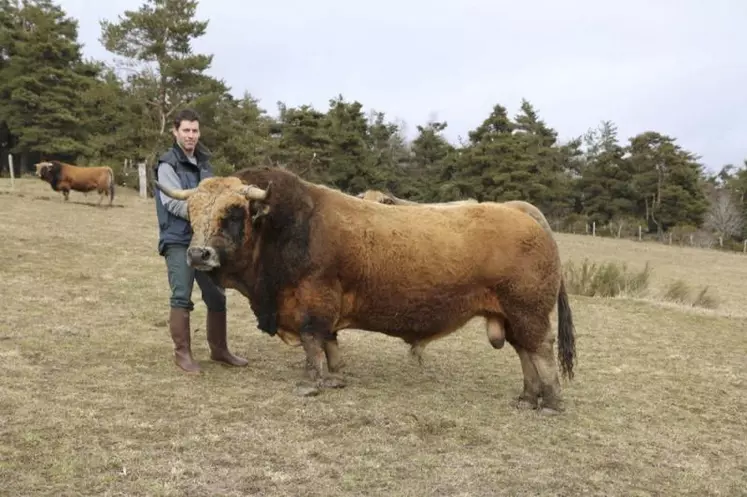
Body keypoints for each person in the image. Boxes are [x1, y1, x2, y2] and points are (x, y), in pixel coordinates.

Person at [153, 108, 248, 373]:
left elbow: (216, 196)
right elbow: (172, 202)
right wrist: (205, 210)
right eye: (186, 130)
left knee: (216, 294)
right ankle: (182, 354)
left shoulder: (205, 163)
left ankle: (220, 350)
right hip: (178, 239)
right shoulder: (167, 164)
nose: (191, 136)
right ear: (175, 131)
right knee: (182, 294)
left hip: (205, 239)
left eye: (195, 130)